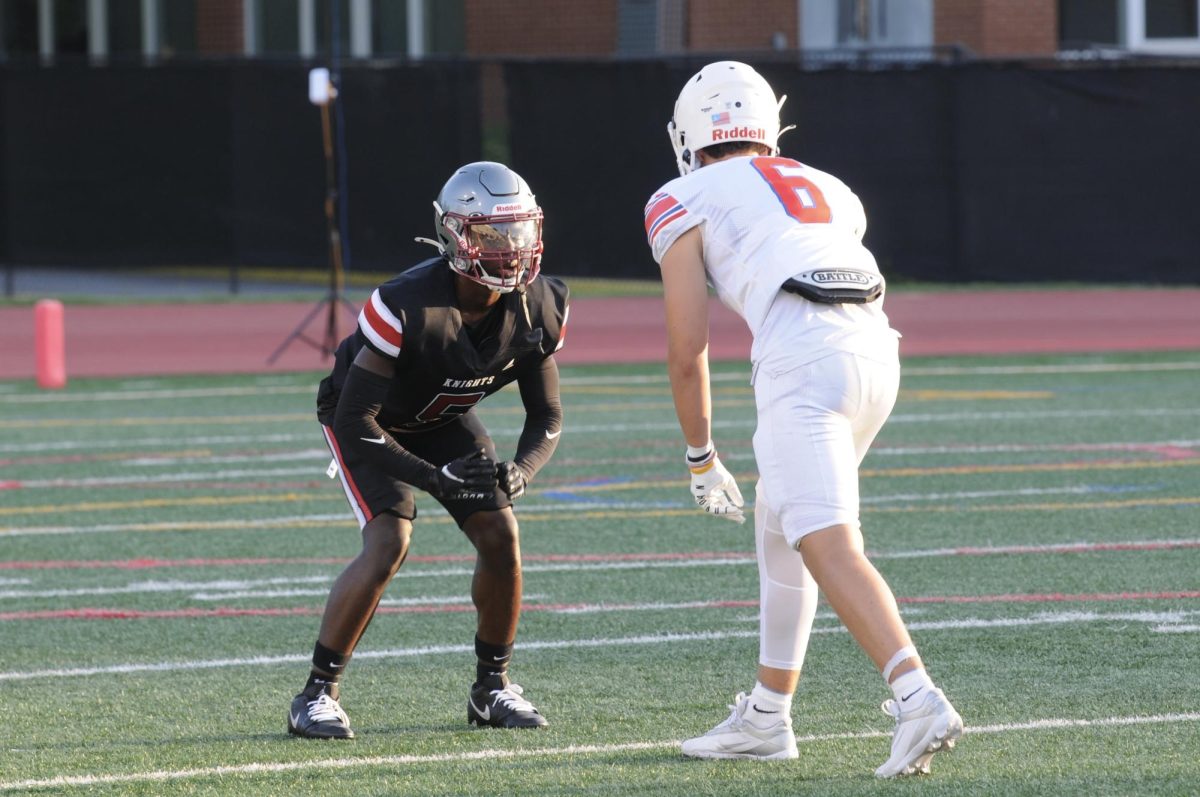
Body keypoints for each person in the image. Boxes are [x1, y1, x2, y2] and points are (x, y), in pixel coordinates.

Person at [644, 62, 963, 777]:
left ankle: (918, 697)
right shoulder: (833, 188)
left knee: (823, 538)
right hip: (877, 352)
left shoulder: (679, 195)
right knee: (782, 523)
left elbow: (686, 347)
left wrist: (700, 455)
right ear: (768, 126)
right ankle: (766, 713)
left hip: (803, 358)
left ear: (689, 134)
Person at [288, 161, 569, 739]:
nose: (510, 248)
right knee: (391, 537)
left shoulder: (541, 304)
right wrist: (433, 476)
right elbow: (354, 416)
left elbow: (546, 414)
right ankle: (316, 694)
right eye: (492, 234)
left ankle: (492, 688)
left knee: (501, 533)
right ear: (455, 235)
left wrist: (522, 470)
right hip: (368, 423)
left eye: (518, 232)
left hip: (443, 418)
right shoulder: (406, 303)